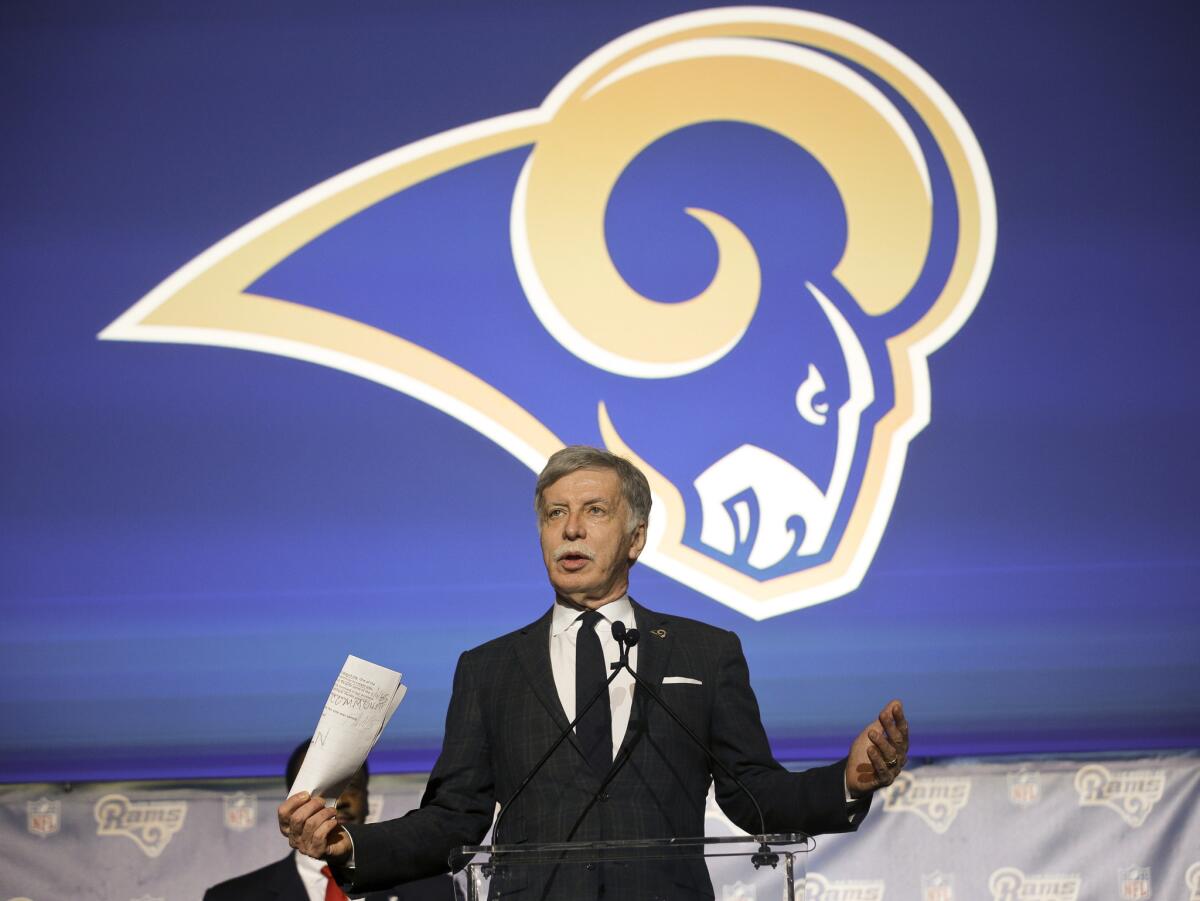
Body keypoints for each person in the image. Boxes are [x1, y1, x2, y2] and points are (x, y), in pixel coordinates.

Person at [279, 446, 910, 899]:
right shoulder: (490, 669)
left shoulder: (703, 653)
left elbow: (752, 796)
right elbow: (454, 818)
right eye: (554, 514)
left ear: (635, 537)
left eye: (593, 511)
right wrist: (349, 847)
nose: (570, 529)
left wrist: (849, 781)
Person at [207, 740, 448, 900]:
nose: (339, 801)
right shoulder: (232, 897)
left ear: (366, 797)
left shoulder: (432, 892)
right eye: (323, 792)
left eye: (351, 787)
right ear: (291, 804)